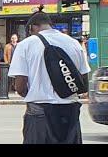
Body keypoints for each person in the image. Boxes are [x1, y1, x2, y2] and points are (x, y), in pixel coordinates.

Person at [8, 8, 91, 144]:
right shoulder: (74, 43)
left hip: (40, 114)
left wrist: (34, 91)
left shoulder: (25, 45)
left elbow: (20, 86)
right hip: (69, 113)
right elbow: (83, 81)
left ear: (33, 27)